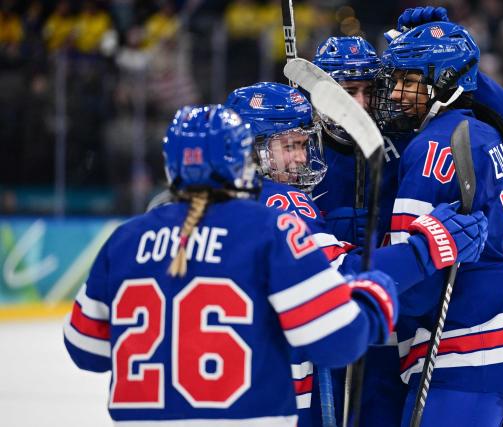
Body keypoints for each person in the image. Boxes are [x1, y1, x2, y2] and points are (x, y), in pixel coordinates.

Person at [62, 104, 402, 426]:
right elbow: (338, 342)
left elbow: (84, 348)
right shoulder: (273, 229)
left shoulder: (125, 239)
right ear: (243, 161)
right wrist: (376, 296)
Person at [225, 81, 490, 426]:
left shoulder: (212, 203)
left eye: (304, 145)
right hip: (281, 391)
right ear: (249, 150)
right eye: (290, 146)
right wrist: (430, 245)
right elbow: (339, 277)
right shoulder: (279, 198)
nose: (302, 158)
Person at [372, 21, 503, 426]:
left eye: (410, 80)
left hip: (461, 360)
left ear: (445, 82)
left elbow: (416, 290)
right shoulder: (492, 136)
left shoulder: (431, 148)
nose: (398, 93)